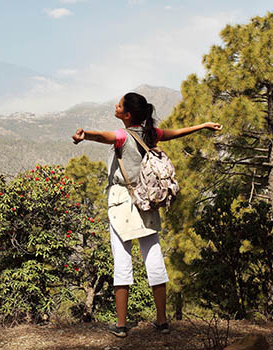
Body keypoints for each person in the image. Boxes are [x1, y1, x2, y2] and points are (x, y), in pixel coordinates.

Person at [72, 92, 222, 337]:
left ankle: (121, 325)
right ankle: (162, 321)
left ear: (127, 115)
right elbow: (176, 133)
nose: (115, 106)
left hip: (123, 203)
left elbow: (104, 136)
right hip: (148, 202)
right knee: (153, 258)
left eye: (119, 105)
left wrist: (85, 135)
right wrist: (203, 126)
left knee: (122, 261)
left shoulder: (123, 136)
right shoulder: (151, 134)